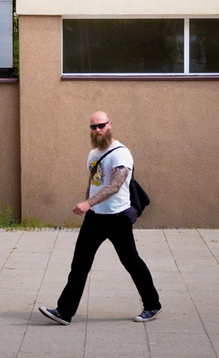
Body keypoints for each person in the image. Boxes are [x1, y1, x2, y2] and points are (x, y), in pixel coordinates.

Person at [39, 111, 162, 325]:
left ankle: (153, 305)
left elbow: (115, 185)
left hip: (117, 218)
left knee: (131, 262)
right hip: (95, 218)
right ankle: (64, 312)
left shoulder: (120, 153)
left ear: (110, 125)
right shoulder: (93, 153)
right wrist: (88, 203)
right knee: (79, 264)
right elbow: (94, 180)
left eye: (101, 125)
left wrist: (88, 202)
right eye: (93, 127)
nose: (97, 130)